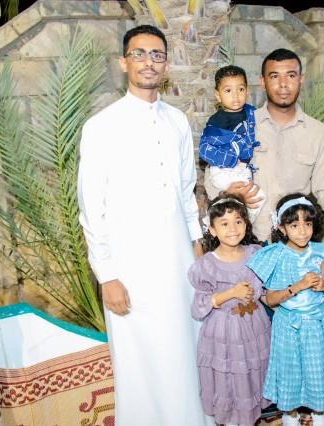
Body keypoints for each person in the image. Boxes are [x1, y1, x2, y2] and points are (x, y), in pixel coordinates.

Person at [77, 25, 212, 425]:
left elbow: (186, 190)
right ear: (124, 62)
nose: (148, 62)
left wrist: (196, 244)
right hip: (129, 268)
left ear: (166, 65)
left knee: (185, 350)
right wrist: (107, 276)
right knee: (139, 363)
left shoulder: (177, 121)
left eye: (156, 55)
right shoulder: (101, 126)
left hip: (178, 262)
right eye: (139, 54)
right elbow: (91, 208)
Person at [204, 48, 324, 285]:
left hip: (297, 252)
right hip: (247, 247)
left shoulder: (317, 132)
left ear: (301, 79)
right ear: (262, 81)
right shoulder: (242, 125)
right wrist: (228, 193)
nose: (283, 84)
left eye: (291, 75)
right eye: (275, 76)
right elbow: (211, 177)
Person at [247, 194, 324, 426]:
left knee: (317, 367)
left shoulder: (320, 251)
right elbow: (270, 299)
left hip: (317, 322)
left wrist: (323, 286)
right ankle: (290, 413)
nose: (302, 231)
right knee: (289, 371)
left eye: (307, 224)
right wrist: (298, 286)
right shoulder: (275, 255)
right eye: (294, 225)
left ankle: (319, 411)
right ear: (281, 228)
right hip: (288, 325)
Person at [189, 194, 271, 426]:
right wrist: (232, 293)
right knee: (229, 379)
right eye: (224, 224)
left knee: (251, 374)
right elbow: (198, 308)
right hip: (224, 332)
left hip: (254, 327)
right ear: (213, 230)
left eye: (238, 221)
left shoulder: (255, 254)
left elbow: (265, 291)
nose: (233, 229)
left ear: (246, 224)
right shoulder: (206, 264)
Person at [199, 66, 266, 222]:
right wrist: (231, 159)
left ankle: (245, 225)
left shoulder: (252, 113)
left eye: (240, 89)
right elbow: (205, 149)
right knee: (231, 203)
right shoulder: (216, 121)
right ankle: (211, 222)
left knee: (258, 197)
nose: (235, 96)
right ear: (218, 95)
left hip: (242, 169)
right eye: (228, 91)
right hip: (223, 169)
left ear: (247, 90)